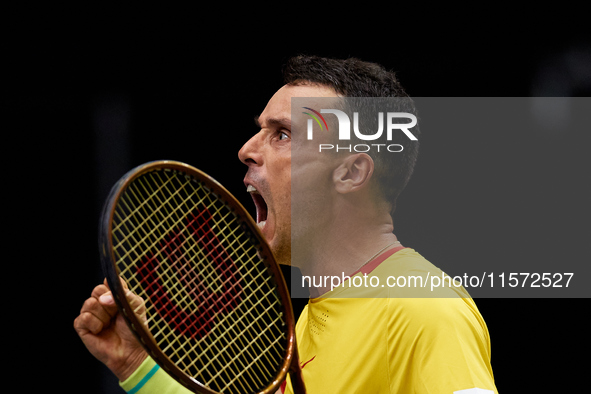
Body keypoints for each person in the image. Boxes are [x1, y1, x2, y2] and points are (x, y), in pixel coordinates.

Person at [74, 55, 497, 393]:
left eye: (281, 135)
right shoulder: (308, 325)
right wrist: (136, 366)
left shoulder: (425, 308)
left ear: (351, 173)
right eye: (259, 131)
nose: (246, 150)